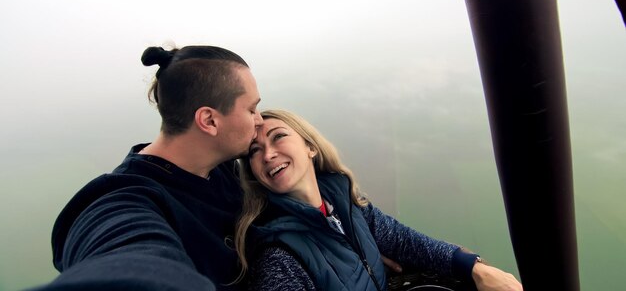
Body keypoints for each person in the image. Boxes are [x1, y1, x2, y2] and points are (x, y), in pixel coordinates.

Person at [30, 45, 263, 291]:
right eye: (251, 109)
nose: (259, 120)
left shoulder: (222, 167)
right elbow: (125, 262)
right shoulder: (122, 202)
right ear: (209, 120)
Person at [234, 109, 524, 291]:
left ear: (310, 147)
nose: (268, 154)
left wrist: (474, 266)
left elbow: (401, 240)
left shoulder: (346, 204)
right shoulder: (277, 257)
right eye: (255, 151)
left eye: (278, 137)